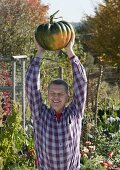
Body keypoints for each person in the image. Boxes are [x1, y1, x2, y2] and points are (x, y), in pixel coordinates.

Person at [25, 32, 87, 170]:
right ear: (47, 95)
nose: (56, 97)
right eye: (52, 93)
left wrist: (70, 52)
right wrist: (40, 53)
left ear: (68, 96)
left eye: (60, 94)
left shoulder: (75, 112)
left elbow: (81, 84)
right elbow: (30, 85)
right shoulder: (40, 114)